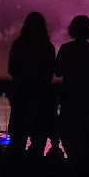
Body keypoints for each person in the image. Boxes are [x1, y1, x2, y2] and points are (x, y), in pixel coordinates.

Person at [55, 15, 89, 161]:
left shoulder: (66, 49)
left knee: (69, 139)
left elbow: (58, 71)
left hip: (70, 99)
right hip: (88, 101)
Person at [8, 12, 56, 156]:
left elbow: (11, 69)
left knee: (17, 139)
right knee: (38, 139)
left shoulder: (18, 44)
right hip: (41, 97)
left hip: (21, 95)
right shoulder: (47, 46)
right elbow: (50, 72)